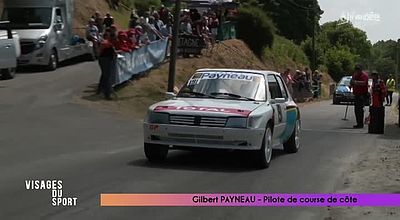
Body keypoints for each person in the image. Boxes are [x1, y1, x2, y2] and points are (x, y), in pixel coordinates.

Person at [98, 31, 117, 100]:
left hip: (106, 59)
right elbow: (102, 48)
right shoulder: (106, 43)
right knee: (107, 76)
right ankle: (107, 94)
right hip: (105, 60)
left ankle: (100, 89)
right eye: (114, 38)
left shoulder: (110, 44)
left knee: (104, 75)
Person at [350, 64, 369, 129]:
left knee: (360, 109)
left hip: (362, 94)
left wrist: (355, 82)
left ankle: (360, 124)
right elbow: (351, 82)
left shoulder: (364, 75)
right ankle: (358, 123)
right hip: (356, 94)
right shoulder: (355, 75)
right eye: (356, 69)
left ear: (361, 69)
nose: (357, 71)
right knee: (356, 110)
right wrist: (351, 83)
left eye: (358, 70)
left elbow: (364, 83)